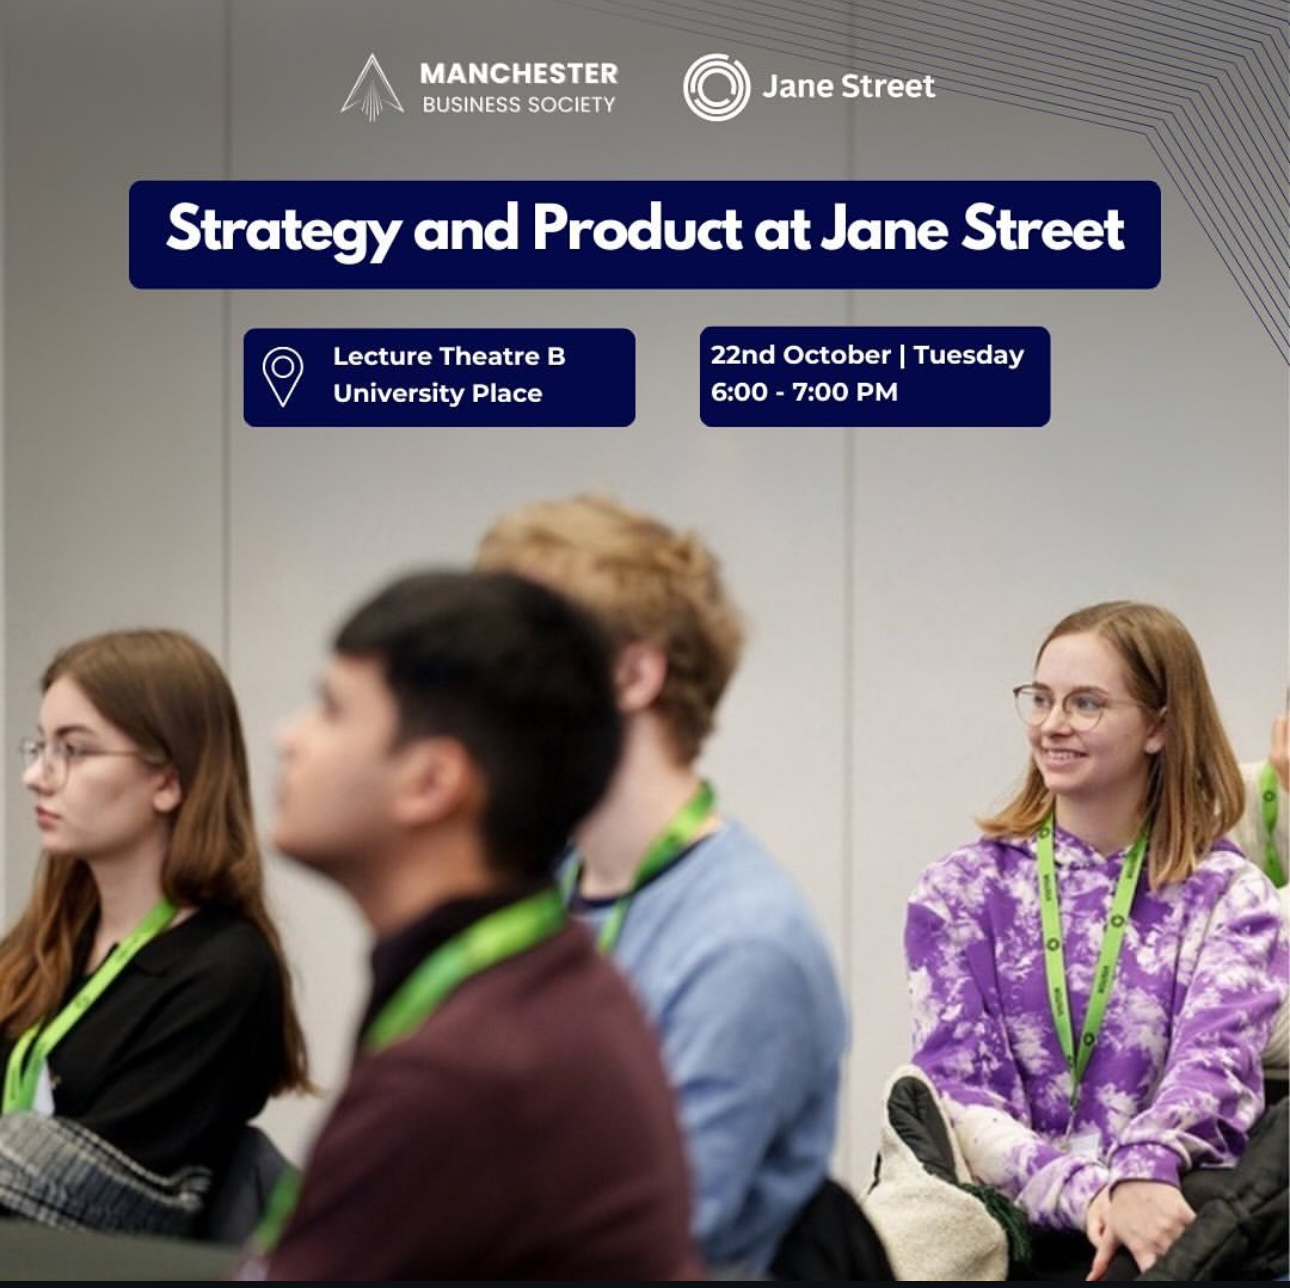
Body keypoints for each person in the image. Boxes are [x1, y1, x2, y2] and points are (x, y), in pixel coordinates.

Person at [253, 569, 698, 1280]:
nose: (288, 736)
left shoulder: (461, 1077)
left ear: (432, 782)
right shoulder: (537, 984)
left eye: (331, 711)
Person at [477, 495, 848, 1274]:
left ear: (634, 674)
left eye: (519, 650)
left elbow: (632, 1249)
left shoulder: (745, 946)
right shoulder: (539, 892)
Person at [904, 601, 1288, 1279]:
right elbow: (961, 1096)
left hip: (1167, 1228)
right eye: (1041, 699)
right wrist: (1092, 1195)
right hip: (1012, 1241)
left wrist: (1142, 1173)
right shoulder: (958, 891)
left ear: (1159, 727)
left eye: (1086, 703)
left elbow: (1214, 1070)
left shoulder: (1231, 895)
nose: (1052, 724)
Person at [0, 629, 309, 1235]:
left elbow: (98, 1192)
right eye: (40, 746)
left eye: (74, 750)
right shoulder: (41, 943)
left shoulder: (225, 970)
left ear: (168, 781)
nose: (36, 775)